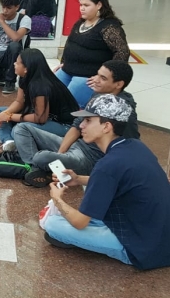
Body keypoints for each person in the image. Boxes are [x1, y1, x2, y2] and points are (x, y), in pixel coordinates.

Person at [43, 94, 170, 271]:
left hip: (139, 248)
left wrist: (57, 198)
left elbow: (80, 222)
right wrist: (78, 179)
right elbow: (116, 180)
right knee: (85, 211)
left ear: (106, 126)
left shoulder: (107, 165)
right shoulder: (135, 146)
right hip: (158, 234)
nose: (81, 126)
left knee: (52, 224)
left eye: (88, 120)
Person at [14, 60, 139, 187]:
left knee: (42, 157)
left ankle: (39, 167)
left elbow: (131, 144)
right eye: (97, 74)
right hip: (77, 145)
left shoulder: (124, 110)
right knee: (21, 128)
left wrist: (105, 172)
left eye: (103, 78)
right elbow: (77, 125)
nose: (95, 79)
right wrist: (60, 154)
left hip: (89, 159)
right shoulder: (99, 94)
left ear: (119, 84)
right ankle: (37, 170)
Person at [0, 48, 79, 152]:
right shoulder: (24, 77)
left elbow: (40, 118)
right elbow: (19, 102)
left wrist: (9, 116)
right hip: (42, 116)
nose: (14, 64)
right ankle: (9, 142)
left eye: (17, 63)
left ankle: (14, 136)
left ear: (26, 68)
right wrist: (4, 114)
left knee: (19, 130)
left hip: (64, 126)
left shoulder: (40, 86)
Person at [55, 0, 129, 108]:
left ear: (99, 5)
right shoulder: (80, 23)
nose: (82, 8)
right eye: (81, 5)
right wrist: (63, 63)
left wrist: (104, 77)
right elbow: (70, 44)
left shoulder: (109, 27)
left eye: (86, 5)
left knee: (68, 104)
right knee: (49, 93)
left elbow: (122, 52)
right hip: (67, 69)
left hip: (88, 76)